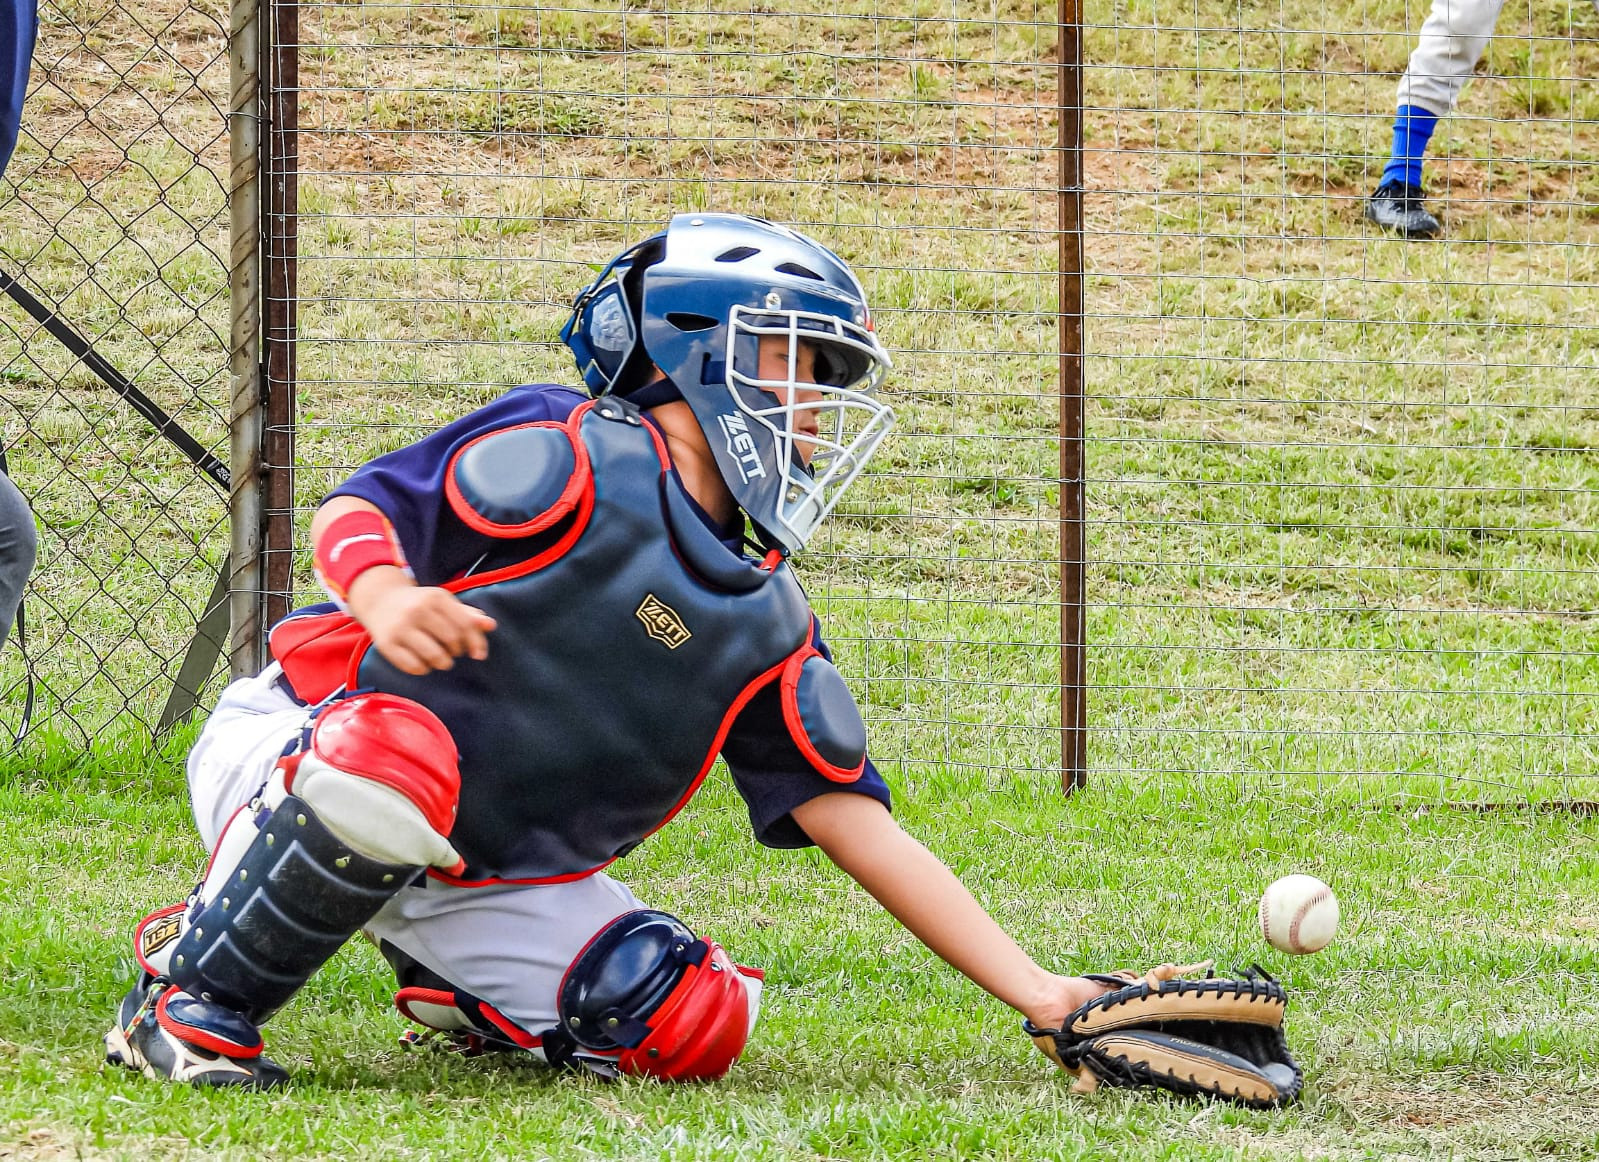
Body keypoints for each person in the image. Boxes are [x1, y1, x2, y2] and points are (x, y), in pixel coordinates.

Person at [103, 213, 1116, 1089]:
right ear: (697, 347)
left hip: (475, 862)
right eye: (797, 360)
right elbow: (362, 507)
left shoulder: (764, 622)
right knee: (394, 756)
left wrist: (1040, 992)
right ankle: (188, 997)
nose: (816, 401)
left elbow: (856, 824)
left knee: (690, 1019)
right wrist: (385, 594)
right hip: (299, 750)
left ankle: (451, 983)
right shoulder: (570, 443)